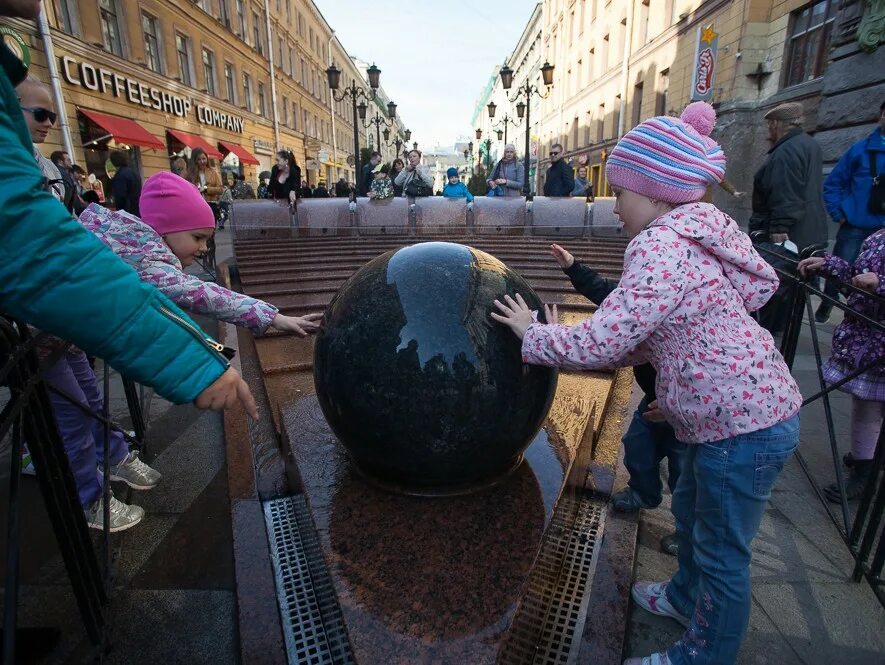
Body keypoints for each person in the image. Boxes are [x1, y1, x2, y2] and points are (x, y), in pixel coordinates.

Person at [491, 103, 802, 665]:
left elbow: (608, 341)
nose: (614, 208)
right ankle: (684, 596)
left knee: (721, 552)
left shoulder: (661, 245)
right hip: (735, 413)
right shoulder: (694, 233)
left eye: (621, 193)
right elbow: (658, 335)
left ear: (658, 194)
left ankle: (706, 654)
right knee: (689, 508)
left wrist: (531, 336)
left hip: (743, 424)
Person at [0, 3, 256, 425]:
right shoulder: (148, 255)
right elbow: (37, 251)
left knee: (81, 406)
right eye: (198, 238)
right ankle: (88, 476)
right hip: (36, 331)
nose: (204, 249)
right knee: (69, 416)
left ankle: (108, 461)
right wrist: (193, 362)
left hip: (50, 331)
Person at [549, 241, 683, 555]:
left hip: (686, 407)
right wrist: (573, 267)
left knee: (685, 474)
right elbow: (605, 292)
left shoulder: (682, 310)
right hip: (652, 399)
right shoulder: (638, 302)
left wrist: (548, 338)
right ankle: (642, 492)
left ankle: (688, 530)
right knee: (638, 447)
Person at [799, 229, 884, 501]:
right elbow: (855, 277)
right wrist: (830, 266)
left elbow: (871, 281)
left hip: (877, 343)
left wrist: (881, 283)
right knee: (866, 408)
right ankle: (864, 465)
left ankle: (870, 461)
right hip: (869, 344)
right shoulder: (878, 237)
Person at [749, 102, 828, 337]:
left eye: (770, 126)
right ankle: (783, 334)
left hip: (790, 233)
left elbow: (787, 192)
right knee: (792, 293)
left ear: (776, 125)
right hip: (807, 230)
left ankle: (770, 338)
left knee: (777, 289)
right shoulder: (808, 144)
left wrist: (779, 227)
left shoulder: (787, 151)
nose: (768, 131)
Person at [817, 100, 885, 323]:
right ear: (880, 117)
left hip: (882, 228)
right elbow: (834, 183)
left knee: (876, 278)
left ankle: (865, 316)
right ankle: (827, 303)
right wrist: (840, 213)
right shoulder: (860, 150)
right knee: (840, 266)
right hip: (855, 224)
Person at [16, 77, 64, 204]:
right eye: (40, 114)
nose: (49, 123)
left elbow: (66, 214)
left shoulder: (51, 168)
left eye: (51, 117)